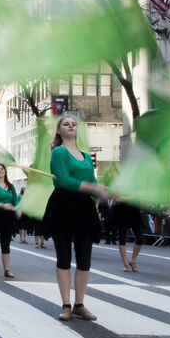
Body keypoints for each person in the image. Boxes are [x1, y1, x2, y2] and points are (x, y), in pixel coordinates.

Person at [45, 116, 109, 322]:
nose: (71, 125)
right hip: (63, 206)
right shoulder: (59, 152)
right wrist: (93, 188)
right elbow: (64, 181)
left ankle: (79, 304)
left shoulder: (86, 156)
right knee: (64, 257)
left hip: (83, 208)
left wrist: (102, 193)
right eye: (66, 123)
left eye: (74, 123)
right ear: (58, 131)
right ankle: (65, 305)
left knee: (85, 258)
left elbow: (92, 180)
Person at [113, 200, 145, 272]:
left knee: (140, 238)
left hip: (134, 210)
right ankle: (125, 264)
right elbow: (116, 198)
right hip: (121, 211)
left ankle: (132, 261)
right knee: (122, 238)